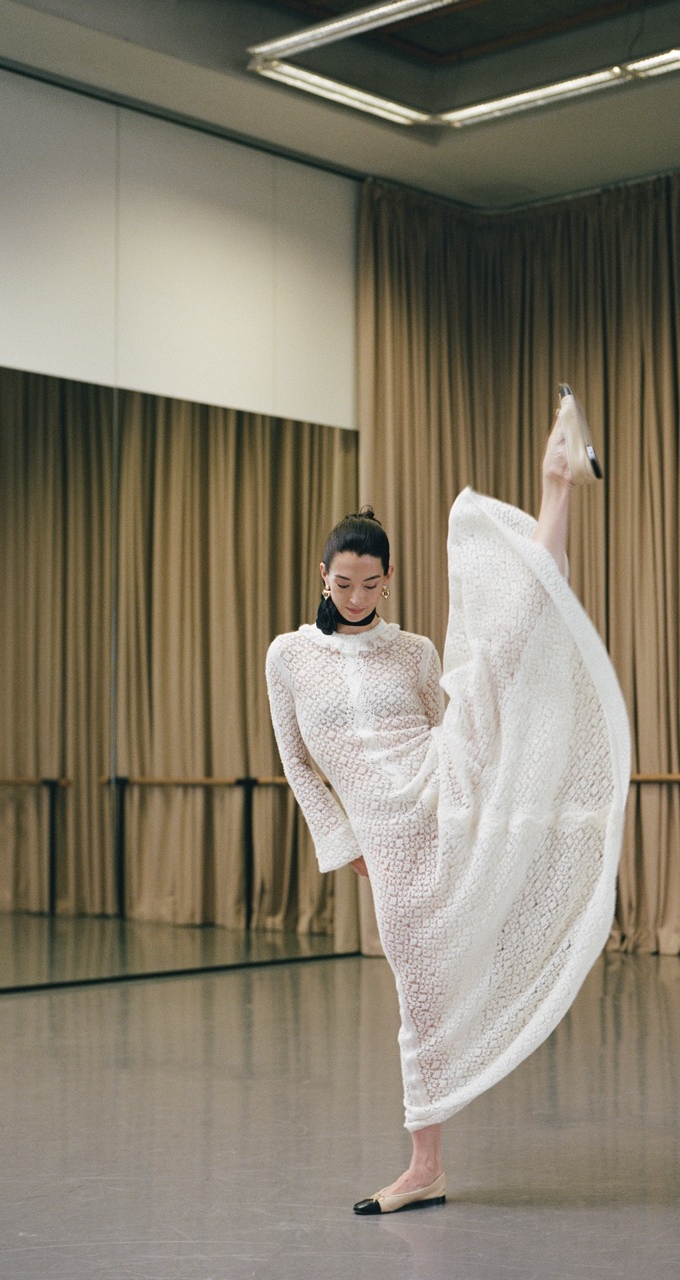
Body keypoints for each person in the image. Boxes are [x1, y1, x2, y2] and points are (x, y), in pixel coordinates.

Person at [266, 387, 631, 1215]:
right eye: (343, 582)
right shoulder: (288, 657)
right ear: (323, 577)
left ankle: (557, 483)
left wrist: (492, 787)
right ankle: (425, 1166)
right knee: (420, 992)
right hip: (385, 836)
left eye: (369, 583)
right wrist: (343, 845)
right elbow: (297, 764)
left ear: (388, 582)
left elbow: (456, 723)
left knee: (502, 653)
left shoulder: (416, 652)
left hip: (438, 783)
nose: (355, 596)